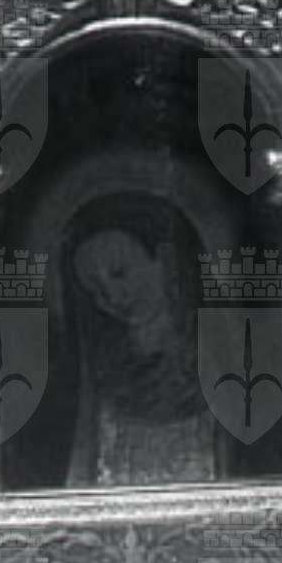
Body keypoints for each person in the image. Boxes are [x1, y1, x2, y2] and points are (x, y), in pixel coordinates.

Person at [57, 194, 216, 487]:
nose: (112, 298)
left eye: (120, 273)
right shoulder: (103, 373)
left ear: (165, 260)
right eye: (94, 290)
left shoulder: (219, 361)